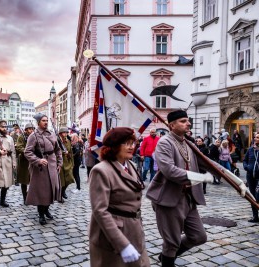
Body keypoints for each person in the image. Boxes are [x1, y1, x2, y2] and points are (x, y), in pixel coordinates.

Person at [146, 110, 215, 266]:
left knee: (199, 236)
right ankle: (168, 258)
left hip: (189, 198)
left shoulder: (188, 143)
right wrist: (200, 177)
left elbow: (210, 164)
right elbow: (169, 171)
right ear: (172, 125)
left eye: (188, 120)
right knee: (171, 242)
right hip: (169, 199)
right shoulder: (165, 142)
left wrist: (235, 181)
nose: (188, 123)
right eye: (183, 121)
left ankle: (166, 257)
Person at [89, 127, 148, 267]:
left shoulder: (131, 165)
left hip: (134, 230)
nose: (131, 147)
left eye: (132, 143)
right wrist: (122, 245)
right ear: (114, 147)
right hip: (113, 235)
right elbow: (100, 211)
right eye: (126, 143)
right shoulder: (101, 170)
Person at [24, 113, 62, 225]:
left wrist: (59, 163)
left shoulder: (52, 134)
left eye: (46, 120)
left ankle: (46, 210)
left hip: (52, 164)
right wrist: (38, 160)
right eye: (43, 121)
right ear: (38, 122)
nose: (45, 122)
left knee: (51, 189)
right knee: (42, 191)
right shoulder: (33, 136)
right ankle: (41, 214)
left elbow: (58, 149)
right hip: (40, 167)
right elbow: (27, 152)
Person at [15, 123, 35, 204]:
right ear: (26, 130)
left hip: (33, 160)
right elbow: (19, 147)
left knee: (33, 180)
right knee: (24, 181)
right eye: (29, 129)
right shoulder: (21, 137)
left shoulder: (34, 136)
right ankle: (25, 197)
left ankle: (31, 196)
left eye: (32, 129)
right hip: (24, 161)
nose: (31, 130)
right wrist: (27, 152)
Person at [243, 133, 259, 223]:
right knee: (252, 197)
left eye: (258, 137)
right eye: (255, 137)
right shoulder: (250, 150)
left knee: (258, 196)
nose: (256, 139)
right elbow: (245, 160)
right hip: (250, 176)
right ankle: (255, 216)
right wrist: (246, 167)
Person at [58, 127, 74, 201]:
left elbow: (70, 152)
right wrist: (63, 152)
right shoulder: (57, 141)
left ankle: (63, 191)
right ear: (60, 134)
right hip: (60, 163)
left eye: (66, 133)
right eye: (64, 133)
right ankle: (60, 196)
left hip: (68, 163)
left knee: (69, 179)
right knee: (62, 181)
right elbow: (55, 152)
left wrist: (72, 163)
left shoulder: (68, 141)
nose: (66, 134)